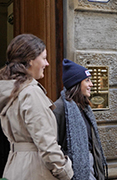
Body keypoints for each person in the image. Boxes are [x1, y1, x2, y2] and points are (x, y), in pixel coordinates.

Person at [0, 34, 73, 179]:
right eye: (44, 58)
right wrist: (65, 172)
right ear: (30, 60)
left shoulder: (11, 91)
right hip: (35, 169)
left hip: (14, 167)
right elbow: (47, 144)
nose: (47, 64)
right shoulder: (31, 92)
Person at [53, 59, 107, 180]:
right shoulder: (60, 108)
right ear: (76, 84)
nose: (91, 84)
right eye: (87, 80)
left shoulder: (85, 108)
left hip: (91, 168)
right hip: (72, 170)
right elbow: (54, 144)